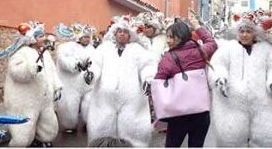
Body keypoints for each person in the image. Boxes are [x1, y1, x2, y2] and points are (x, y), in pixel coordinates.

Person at [85, 16, 157, 147]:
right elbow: (95, 64)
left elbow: (147, 66)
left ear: (130, 35)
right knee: (101, 129)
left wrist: (148, 79)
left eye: (125, 32)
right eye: (120, 31)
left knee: (134, 131)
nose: (122, 34)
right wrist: (91, 74)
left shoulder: (137, 50)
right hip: (104, 100)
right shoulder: (103, 49)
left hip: (132, 100)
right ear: (115, 33)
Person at [208, 11, 272, 146]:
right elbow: (218, 65)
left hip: (262, 101)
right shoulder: (227, 48)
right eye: (241, 31)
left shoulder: (266, 49)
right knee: (231, 138)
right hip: (232, 102)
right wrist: (220, 78)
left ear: (255, 33)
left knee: (265, 137)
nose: (244, 34)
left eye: (248, 31)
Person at [153, 15, 217, 147]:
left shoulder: (168, 58)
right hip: (201, 113)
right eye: (167, 36)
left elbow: (158, 82)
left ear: (181, 36)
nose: (168, 41)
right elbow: (211, 43)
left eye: (171, 37)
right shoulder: (200, 51)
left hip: (178, 114)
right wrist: (198, 27)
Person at [0, 22, 61, 147]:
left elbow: (52, 71)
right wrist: (30, 68)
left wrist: (57, 87)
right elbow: (15, 71)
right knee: (24, 130)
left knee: (48, 124)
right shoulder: (22, 53)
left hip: (44, 99)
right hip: (26, 99)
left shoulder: (45, 54)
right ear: (32, 39)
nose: (44, 38)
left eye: (44, 35)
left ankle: (43, 138)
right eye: (40, 36)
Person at [54, 23, 95, 133]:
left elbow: (97, 63)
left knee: (90, 103)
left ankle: (89, 122)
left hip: (88, 84)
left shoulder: (92, 49)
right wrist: (76, 64)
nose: (86, 39)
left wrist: (93, 72)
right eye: (84, 37)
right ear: (79, 36)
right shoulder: (66, 47)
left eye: (88, 37)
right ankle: (69, 125)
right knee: (69, 105)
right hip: (70, 83)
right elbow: (63, 61)